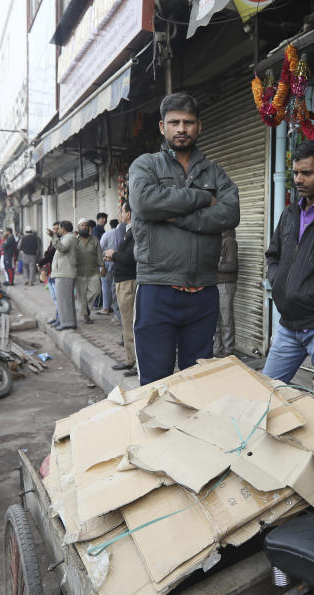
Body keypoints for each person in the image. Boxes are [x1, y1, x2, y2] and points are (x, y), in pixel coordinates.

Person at [128, 92, 240, 385]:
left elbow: (230, 214)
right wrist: (202, 197)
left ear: (199, 127)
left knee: (198, 382)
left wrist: (178, 216)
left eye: (188, 122)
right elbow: (144, 203)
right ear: (162, 127)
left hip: (204, 291)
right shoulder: (146, 165)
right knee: (155, 382)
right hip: (157, 287)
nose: (181, 128)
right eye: (174, 122)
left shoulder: (215, 172)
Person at [263, 140, 314, 403]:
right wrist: (278, 282)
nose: (299, 179)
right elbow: (272, 255)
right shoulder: (290, 213)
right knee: (266, 390)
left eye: (307, 173)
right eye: (296, 172)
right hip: (287, 326)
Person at [106, 202, 138, 376]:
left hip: (128, 282)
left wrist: (114, 254)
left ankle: (135, 362)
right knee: (126, 323)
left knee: (130, 323)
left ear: (129, 214)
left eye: (122, 210)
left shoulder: (135, 231)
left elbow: (132, 257)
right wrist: (115, 257)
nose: (120, 213)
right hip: (122, 281)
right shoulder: (127, 230)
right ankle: (129, 359)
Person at [48, 221, 78, 331]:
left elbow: (62, 248)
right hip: (63, 272)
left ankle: (67, 323)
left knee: (64, 300)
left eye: (59, 228)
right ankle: (68, 322)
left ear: (64, 229)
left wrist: (53, 236)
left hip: (65, 272)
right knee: (64, 300)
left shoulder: (69, 238)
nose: (58, 231)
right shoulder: (66, 237)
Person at [213, 229, 238, 357]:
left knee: (226, 319)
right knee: (214, 320)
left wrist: (213, 265)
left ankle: (229, 351)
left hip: (225, 285)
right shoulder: (217, 240)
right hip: (214, 284)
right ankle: (216, 350)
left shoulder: (229, 241)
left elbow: (232, 266)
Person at [74, 218, 103, 325]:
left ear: (89, 227)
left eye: (86, 225)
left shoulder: (94, 240)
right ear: (78, 227)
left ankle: (85, 306)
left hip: (93, 271)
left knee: (96, 290)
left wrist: (103, 267)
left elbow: (99, 254)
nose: (84, 227)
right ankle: (86, 315)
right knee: (81, 295)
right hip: (79, 273)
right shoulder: (74, 240)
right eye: (82, 225)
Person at [98, 219, 121, 317]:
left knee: (106, 286)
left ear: (110, 225)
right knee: (115, 287)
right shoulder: (123, 233)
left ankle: (106, 308)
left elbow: (100, 248)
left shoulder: (107, 234)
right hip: (119, 263)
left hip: (106, 263)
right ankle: (116, 310)